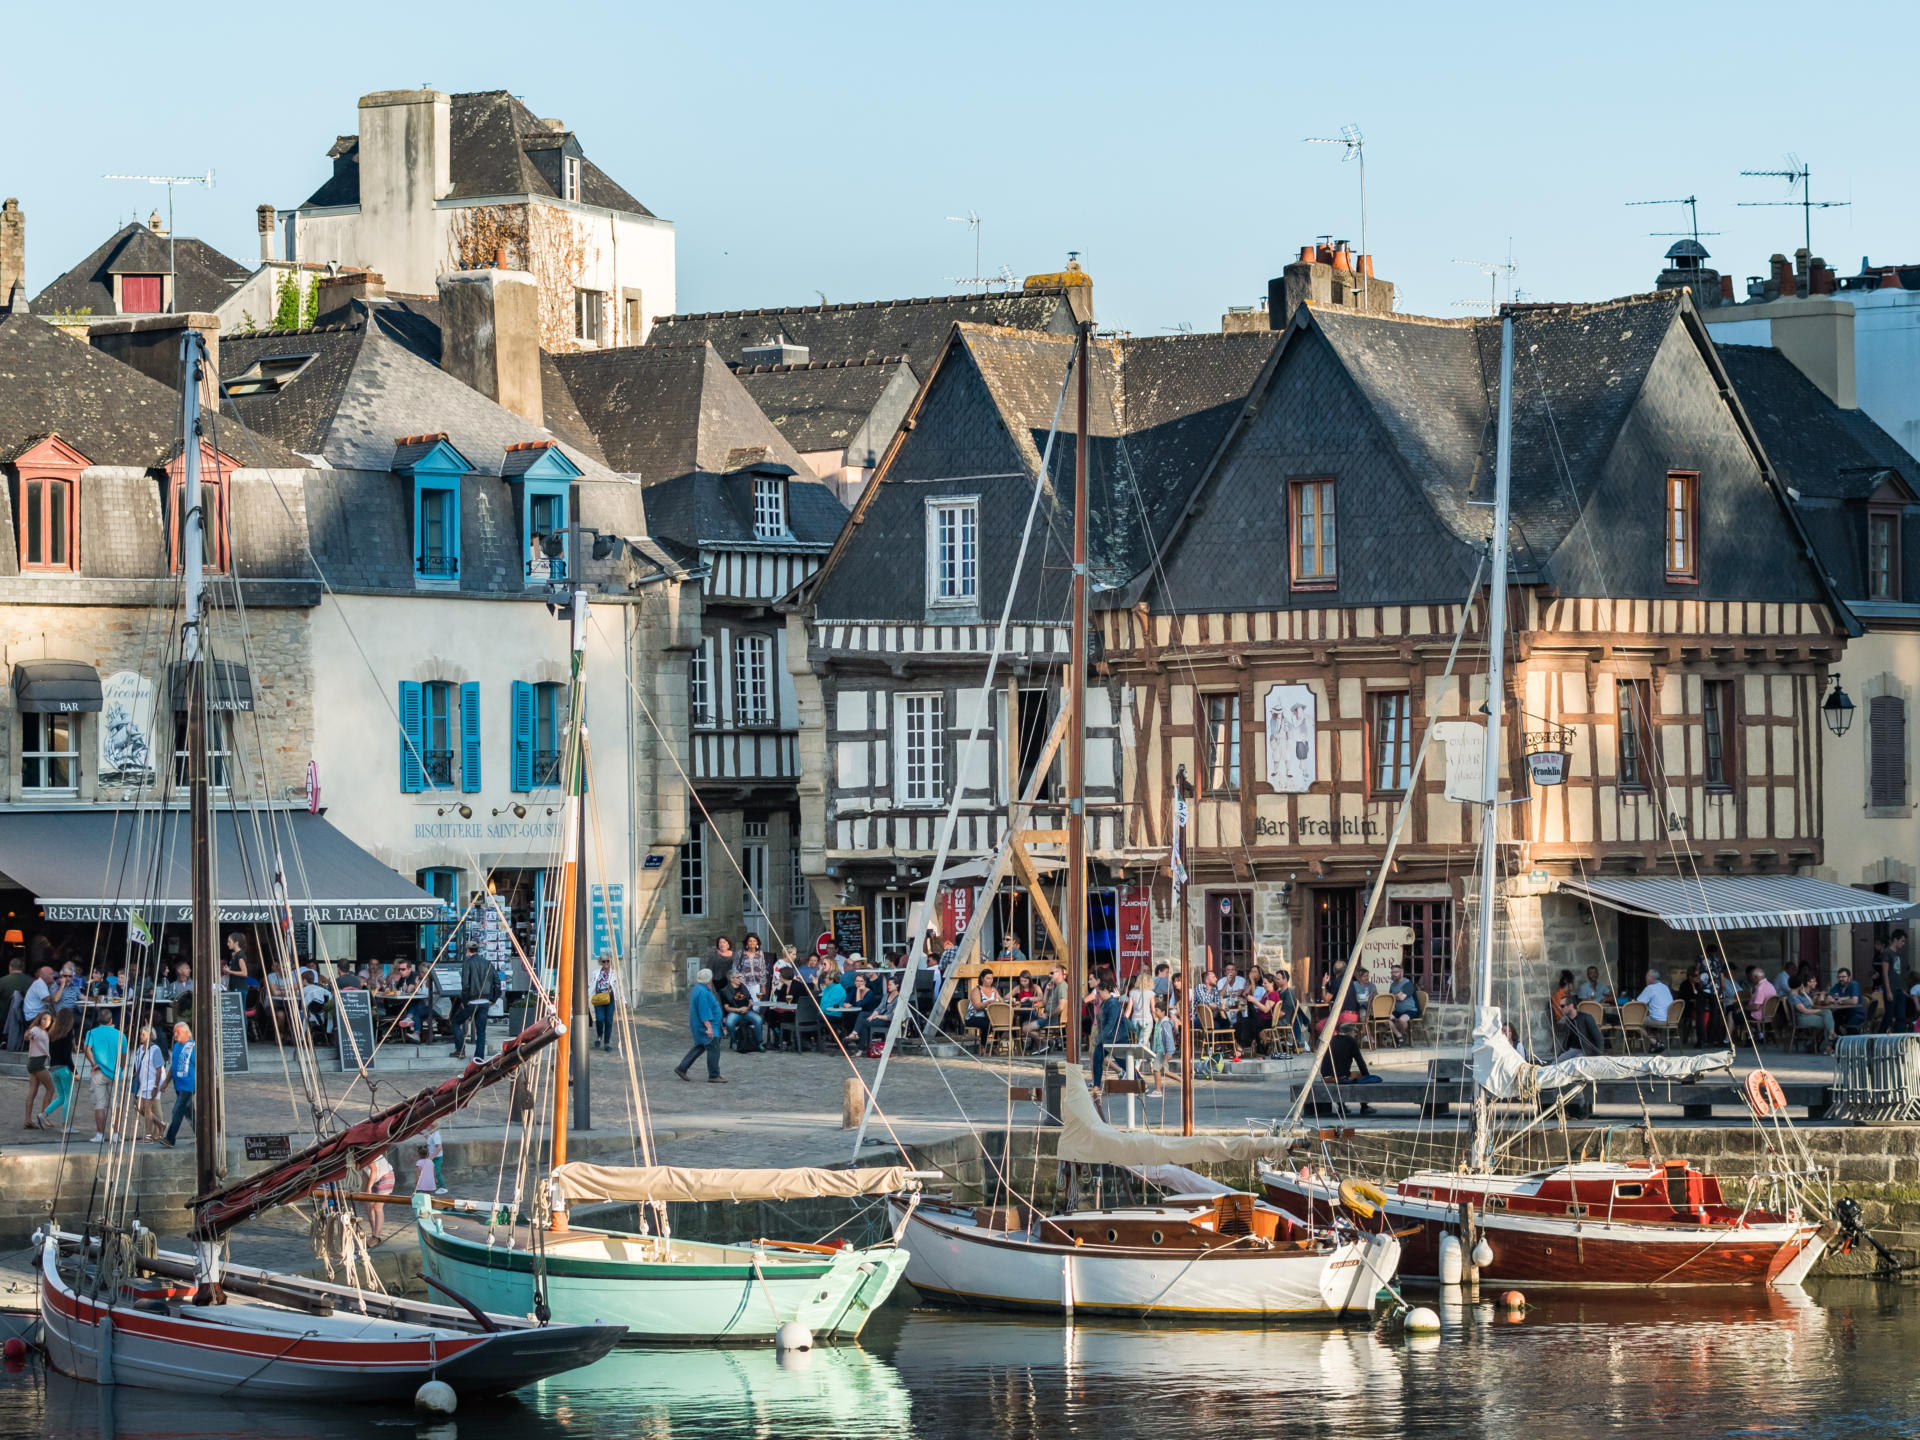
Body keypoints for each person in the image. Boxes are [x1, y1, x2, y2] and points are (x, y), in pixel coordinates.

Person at [449, 942, 499, 1060]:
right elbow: (497, 982)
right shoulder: (487, 963)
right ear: (477, 950)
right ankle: (479, 1058)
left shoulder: (468, 963)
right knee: (481, 1031)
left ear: (467, 950)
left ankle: (460, 1050)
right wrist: (493, 999)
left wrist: (464, 1001)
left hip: (472, 1000)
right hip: (485, 1001)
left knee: (455, 1022)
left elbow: (465, 984)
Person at [82, 1011, 125, 1144]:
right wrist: (121, 1068)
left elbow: (86, 1048)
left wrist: (93, 1063)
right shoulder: (120, 1035)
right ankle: (115, 1134)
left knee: (99, 1104)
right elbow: (124, 1055)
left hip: (98, 1072)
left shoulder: (91, 1033)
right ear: (111, 1020)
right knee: (115, 1104)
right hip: (115, 1073)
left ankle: (100, 1135)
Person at [675, 968, 725, 1083]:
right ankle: (714, 1075)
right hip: (707, 1026)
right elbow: (704, 1011)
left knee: (700, 1047)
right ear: (709, 979)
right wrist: (709, 1027)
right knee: (714, 1050)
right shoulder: (702, 992)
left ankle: (682, 1068)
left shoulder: (699, 989)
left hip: (703, 1025)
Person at [1552, 970, 1604, 1056]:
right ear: (1569, 984)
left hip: (1567, 1019)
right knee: (1583, 1020)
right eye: (1572, 983)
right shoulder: (1561, 995)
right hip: (1562, 1020)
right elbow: (1565, 1011)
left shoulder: (1562, 994)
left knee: (1585, 1020)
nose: (1573, 986)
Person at [161, 1021, 196, 1147]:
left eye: (178, 1032)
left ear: (186, 1032)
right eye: (174, 1032)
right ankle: (202, 1136)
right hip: (178, 1085)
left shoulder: (193, 1047)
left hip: (189, 1085)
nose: (175, 1034)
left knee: (177, 1110)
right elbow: (173, 1066)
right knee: (189, 1113)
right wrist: (166, 1082)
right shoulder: (176, 1046)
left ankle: (170, 1139)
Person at [131, 1025, 166, 1142]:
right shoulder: (139, 1049)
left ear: (150, 1036)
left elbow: (159, 1069)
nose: (141, 1036)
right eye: (140, 1034)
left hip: (151, 1083)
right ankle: (160, 1124)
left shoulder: (155, 1049)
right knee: (139, 1106)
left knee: (147, 1108)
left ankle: (148, 1135)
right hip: (142, 1083)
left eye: (143, 1035)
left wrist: (156, 1086)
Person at [44, 1010, 76, 1132]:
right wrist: (75, 1071)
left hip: (53, 1069)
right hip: (64, 1069)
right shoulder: (67, 1034)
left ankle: (43, 1114)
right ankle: (65, 1126)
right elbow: (67, 1056)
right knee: (69, 1097)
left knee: (62, 1097)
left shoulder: (51, 1034)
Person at [22, 1012, 54, 1130]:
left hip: (34, 1063)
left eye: (48, 1020)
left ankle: (27, 1120)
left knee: (32, 1092)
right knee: (51, 1089)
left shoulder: (45, 1032)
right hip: (37, 1063)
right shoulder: (36, 1029)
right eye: (44, 1019)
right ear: (40, 1019)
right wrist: (27, 1034)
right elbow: (28, 1036)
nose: (46, 1022)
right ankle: (43, 1117)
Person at [1788, 975, 1836, 1055]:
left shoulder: (1799, 994)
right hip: (1802, 1018)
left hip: (1809, 1015)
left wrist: (1804, 993)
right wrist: (1820, 1011)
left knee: (1828, 1013)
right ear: (1799, 984)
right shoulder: (1793, 996)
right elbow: (1805, 1011)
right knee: (1827, 1021)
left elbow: (1811, 1004)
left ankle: (1830, 1036)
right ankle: (1829, 1043)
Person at [1090, 982, 1124, 1086]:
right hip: (1106, 1038)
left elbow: (1110, 1024)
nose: (1097, 995)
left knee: (1124, 1063)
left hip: (1116, 1038)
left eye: (1099, 993)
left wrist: (1098, 1039)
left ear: (1105, 991)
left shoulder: (1113, 1003)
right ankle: (1096, 1085)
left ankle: (1140, 1082)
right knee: (1097, 1059)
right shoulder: (1105, 1003)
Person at [1635, 968, 1675, 1053]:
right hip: (1669, 1019)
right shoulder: (1665, 987)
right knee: (1651, 1021)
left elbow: (1639, 1004)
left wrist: (1631, 1001)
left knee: (1635, 1023)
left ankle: (1655, 1043)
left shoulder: (1650, 988)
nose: (1645, 979)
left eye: (1647, 977)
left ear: (1651, 978)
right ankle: (1660, 1043)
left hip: (1657, 1020)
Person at [720, 971, 761, 1049]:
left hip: (747, 1011)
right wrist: (738, 1010)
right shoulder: (725, 991)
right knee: (729, 1023)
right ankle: (735, 1041)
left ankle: (759, 1042)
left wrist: (748, 1007)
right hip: (734, 1012)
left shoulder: (743, 987)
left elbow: (750, 999)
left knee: (758, 1020)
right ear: (731, 979)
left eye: (740, 977)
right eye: (738, 977)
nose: (740, 979)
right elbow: (726, 1007)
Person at [855, 980, 898, 1051]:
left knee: (863, 1023)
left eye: (890, 985)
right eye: (888, 984)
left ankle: (860, 1049)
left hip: (887, 1020)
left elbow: (891, 1016)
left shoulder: (898, 999)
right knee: (862, 1014)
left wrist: (878, 1016)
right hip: (880, 1016)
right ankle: (855, 1033)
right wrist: (872, 1016)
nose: (888, 986)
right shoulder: (886, 995)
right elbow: (879, 1008)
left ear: (896, 985)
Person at [362, 1149, 395, 1242]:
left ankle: (376, 1237)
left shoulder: (366, 1153)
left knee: (377, 1207)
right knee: (368, 1207)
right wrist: (363, 1193)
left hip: (386, 1177)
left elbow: (374, 1170)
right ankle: (374, 1233)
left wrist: (369, 1188)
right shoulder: (357, 1158)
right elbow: (365, 1175)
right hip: (375, 1179)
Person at [964, 970, 1002, 1050]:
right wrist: (988, 1002)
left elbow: (1001, 1000)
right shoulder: (976, 990)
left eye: (991, 978)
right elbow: (977, 1006)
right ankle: (983, 1046)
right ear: (982, 978)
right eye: (988, 978)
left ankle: (995, 1045)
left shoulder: (993, 989)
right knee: (988, 1023)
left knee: (1002, 1022)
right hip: (974, 1016)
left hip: (989, 1016)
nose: (990, 980)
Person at [589, 954, 619, 1051]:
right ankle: (599, 1035)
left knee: (609, 1021)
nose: (606, 963)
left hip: (610, 999)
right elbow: (591, 985)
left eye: (608, 961)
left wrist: (623, 1000)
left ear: (610, 962)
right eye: (604, 961)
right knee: (599, 1019)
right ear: (601, 962)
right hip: (598, 999)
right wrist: (586, 997)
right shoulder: (596, 973)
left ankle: (607, 1043)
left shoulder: (614, 973)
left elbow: (619, 988)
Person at [1387, 965, 1422, 1045]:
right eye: (1392, 972)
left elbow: (1401, 998)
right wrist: (1396, 995)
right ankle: (1399, 1035)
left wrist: (1394, 996)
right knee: (1386, 1019)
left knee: (1402, 1020)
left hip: (1410, 1010)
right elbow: (1390, 998)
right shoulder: (1392, 985)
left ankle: (1402, 1035)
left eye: (1396, 972)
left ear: (1401, 973)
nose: (1393, 974)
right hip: (1397, 1011)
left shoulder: (1408, 983)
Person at [1831, 966, 1867, 1034]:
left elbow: (1854, 1001)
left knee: (1850, 1027)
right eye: (1839, 977)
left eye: (1843, 977)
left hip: (1856, 1013)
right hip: (1844, 1012)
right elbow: (1829, 998)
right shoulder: (1837, 985)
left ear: (1849, 977)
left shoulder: (1854, 984)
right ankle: (1839, 1039)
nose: (1841, 979)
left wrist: (1840, 1001)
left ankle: (1853, 1040)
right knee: (1833, 1019)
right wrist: (1847, 998)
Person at [1745, 967, 1776, 1035]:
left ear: (1756, 977)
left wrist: (1745, 1008)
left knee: (1733, 1015)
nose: (1751, 980)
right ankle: (1758, 1034)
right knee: (1740, 1014)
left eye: (1752, 978)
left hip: (1759, 1015)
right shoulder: (1770, 985)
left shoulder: (1760, 988)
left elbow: (1756, 1007)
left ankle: (1727, 1039)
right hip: (1769, 1015)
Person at [427, 1126, 446, 1192]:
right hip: (434, 1156)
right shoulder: (432, 1134)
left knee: (437, 1172)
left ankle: (443, 1188)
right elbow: (431, 1141)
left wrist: (432, 1156)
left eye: (427, 1126)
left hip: (437, 1157)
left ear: (432, 1126)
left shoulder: (436, 1135)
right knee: (433, 1172)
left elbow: (439, 1147)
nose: (426, 1127)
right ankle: (437, 1184)